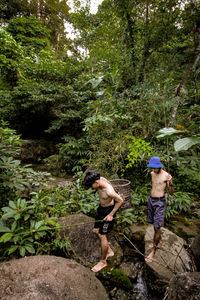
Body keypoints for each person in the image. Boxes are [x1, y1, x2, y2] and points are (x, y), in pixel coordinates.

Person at [83, 170, 124, 272]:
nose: (92, 188)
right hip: (101, 209)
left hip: (108, 211)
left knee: (102, 235)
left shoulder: (109, 191)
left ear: (96, 182)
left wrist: (111, 215)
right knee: (96, 230)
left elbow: (120, 200)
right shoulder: (101, 180)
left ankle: (103, 262)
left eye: (92, 185)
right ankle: (109, 251)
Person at [145, 157, 174, 263]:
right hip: (151, 200)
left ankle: (153, 251)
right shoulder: (152, 174)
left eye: (154, 167)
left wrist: (170, 182)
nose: (152, 169)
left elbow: (171, 193)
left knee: (157, 226)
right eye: (151, 167)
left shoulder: (166, 175)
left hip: (160, 202)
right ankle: (159, 241)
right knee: (153, 223)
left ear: (159, 166)